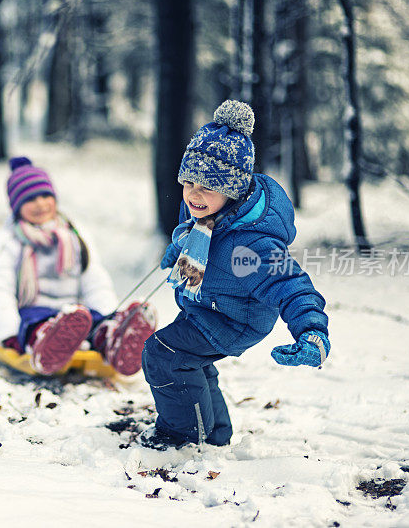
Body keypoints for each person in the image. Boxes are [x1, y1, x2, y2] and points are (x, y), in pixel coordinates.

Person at [140, 100, 330, 449]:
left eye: (207, 186)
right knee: (189, 361)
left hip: (234, 317)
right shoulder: (207, 208)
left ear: (232, 189)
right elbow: (191, 233)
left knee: (164, 354)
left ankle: (182, 436)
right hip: (208, 304)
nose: (194, 194)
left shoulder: (249, 247)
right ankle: (214, 434)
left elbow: (290, 285)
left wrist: (312, 331)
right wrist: (175, 253)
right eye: (189, 182)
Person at [0, 157, 157, 376]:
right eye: (30, 199)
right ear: (16, 207)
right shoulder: (9, 242)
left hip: (76, 317)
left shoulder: (74, 236)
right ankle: (46, 342)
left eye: (45, 195)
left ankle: (113, 339)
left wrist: (107, 313)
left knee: (93, 322)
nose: (40, 204)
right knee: (34, 324)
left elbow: (93, 279)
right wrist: (8, 332)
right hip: (34, 312)